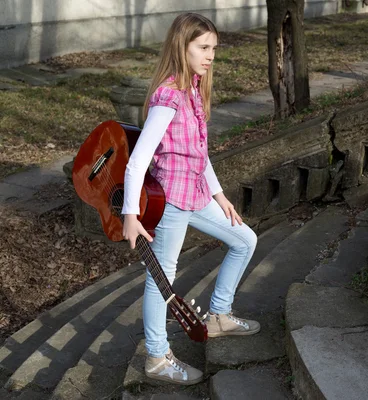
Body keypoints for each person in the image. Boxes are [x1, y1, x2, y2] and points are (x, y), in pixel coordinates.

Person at [121, 13, 259, 386]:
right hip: (171, 201)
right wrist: (130, 215)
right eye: (203, 47)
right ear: (182, 47)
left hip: (196, 194)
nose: (210, 55)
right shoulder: (168, 96)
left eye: (213, 48)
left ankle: (218, 315)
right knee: (161, 279)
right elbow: (137, 163)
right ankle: (157, 357)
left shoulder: (193, 89)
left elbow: (199, 153)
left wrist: (220, 195)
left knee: (245, 239)